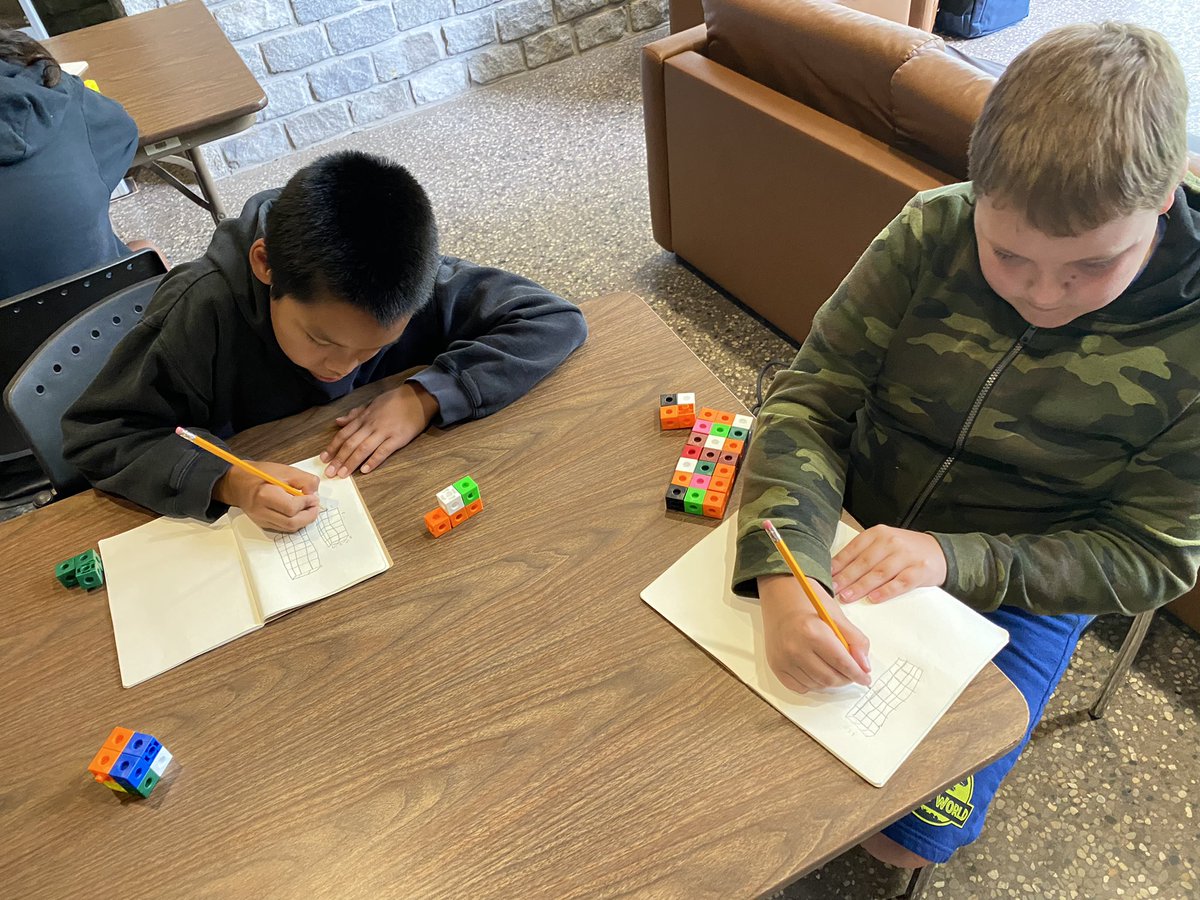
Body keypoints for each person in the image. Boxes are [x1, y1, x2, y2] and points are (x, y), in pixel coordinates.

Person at [733, 23, 1200, 869]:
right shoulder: (931, 230)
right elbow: (810, 401)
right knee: (729, 716)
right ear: (976, 191)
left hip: (1021, 577)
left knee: (905, 840)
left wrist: (956, 560)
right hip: (850, 509)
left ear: (1165, 195)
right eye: (1008, 255)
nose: (1042, 296)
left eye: (1092, 267)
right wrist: (782, 566)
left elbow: (1151, 559)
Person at [62, 150, 587, 532]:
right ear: (265, 265)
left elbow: (552, 319)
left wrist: (424, 395)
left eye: (373, 349)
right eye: (321, 340)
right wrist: (229, 481)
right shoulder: (200, 312)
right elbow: (101, 434)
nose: (341, 368)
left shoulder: (404, 282)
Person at [0, 26, 159, 298]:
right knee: (145, 249)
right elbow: (123, 136)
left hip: (17, 331)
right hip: (105, 313)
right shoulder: (59, 91)